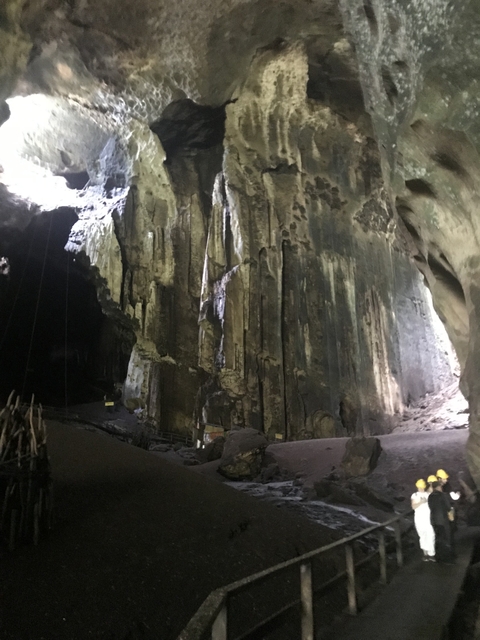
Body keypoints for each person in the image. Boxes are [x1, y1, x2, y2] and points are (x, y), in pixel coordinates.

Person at [428, 480, 455, 563]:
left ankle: (438, 557)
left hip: (434, 520)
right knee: (446, 539)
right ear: (439, 487)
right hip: (443, 520)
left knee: (437, 538)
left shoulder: (430, 496)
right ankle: (448, 559)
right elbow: (448, 507)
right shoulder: (443, 495)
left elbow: (430, 507)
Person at [411, 478, 436, 561]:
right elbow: (413, 506)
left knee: (431, 535)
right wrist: (421, 502)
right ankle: (425, 554)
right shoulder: (415, 495)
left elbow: (431, 491)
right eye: (419, 487)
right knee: (422, 536)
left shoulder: (428, 494)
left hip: (428, 519)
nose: (421, 488)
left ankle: (431, 554)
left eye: (422, 487)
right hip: (419, 519)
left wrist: (431, 483)